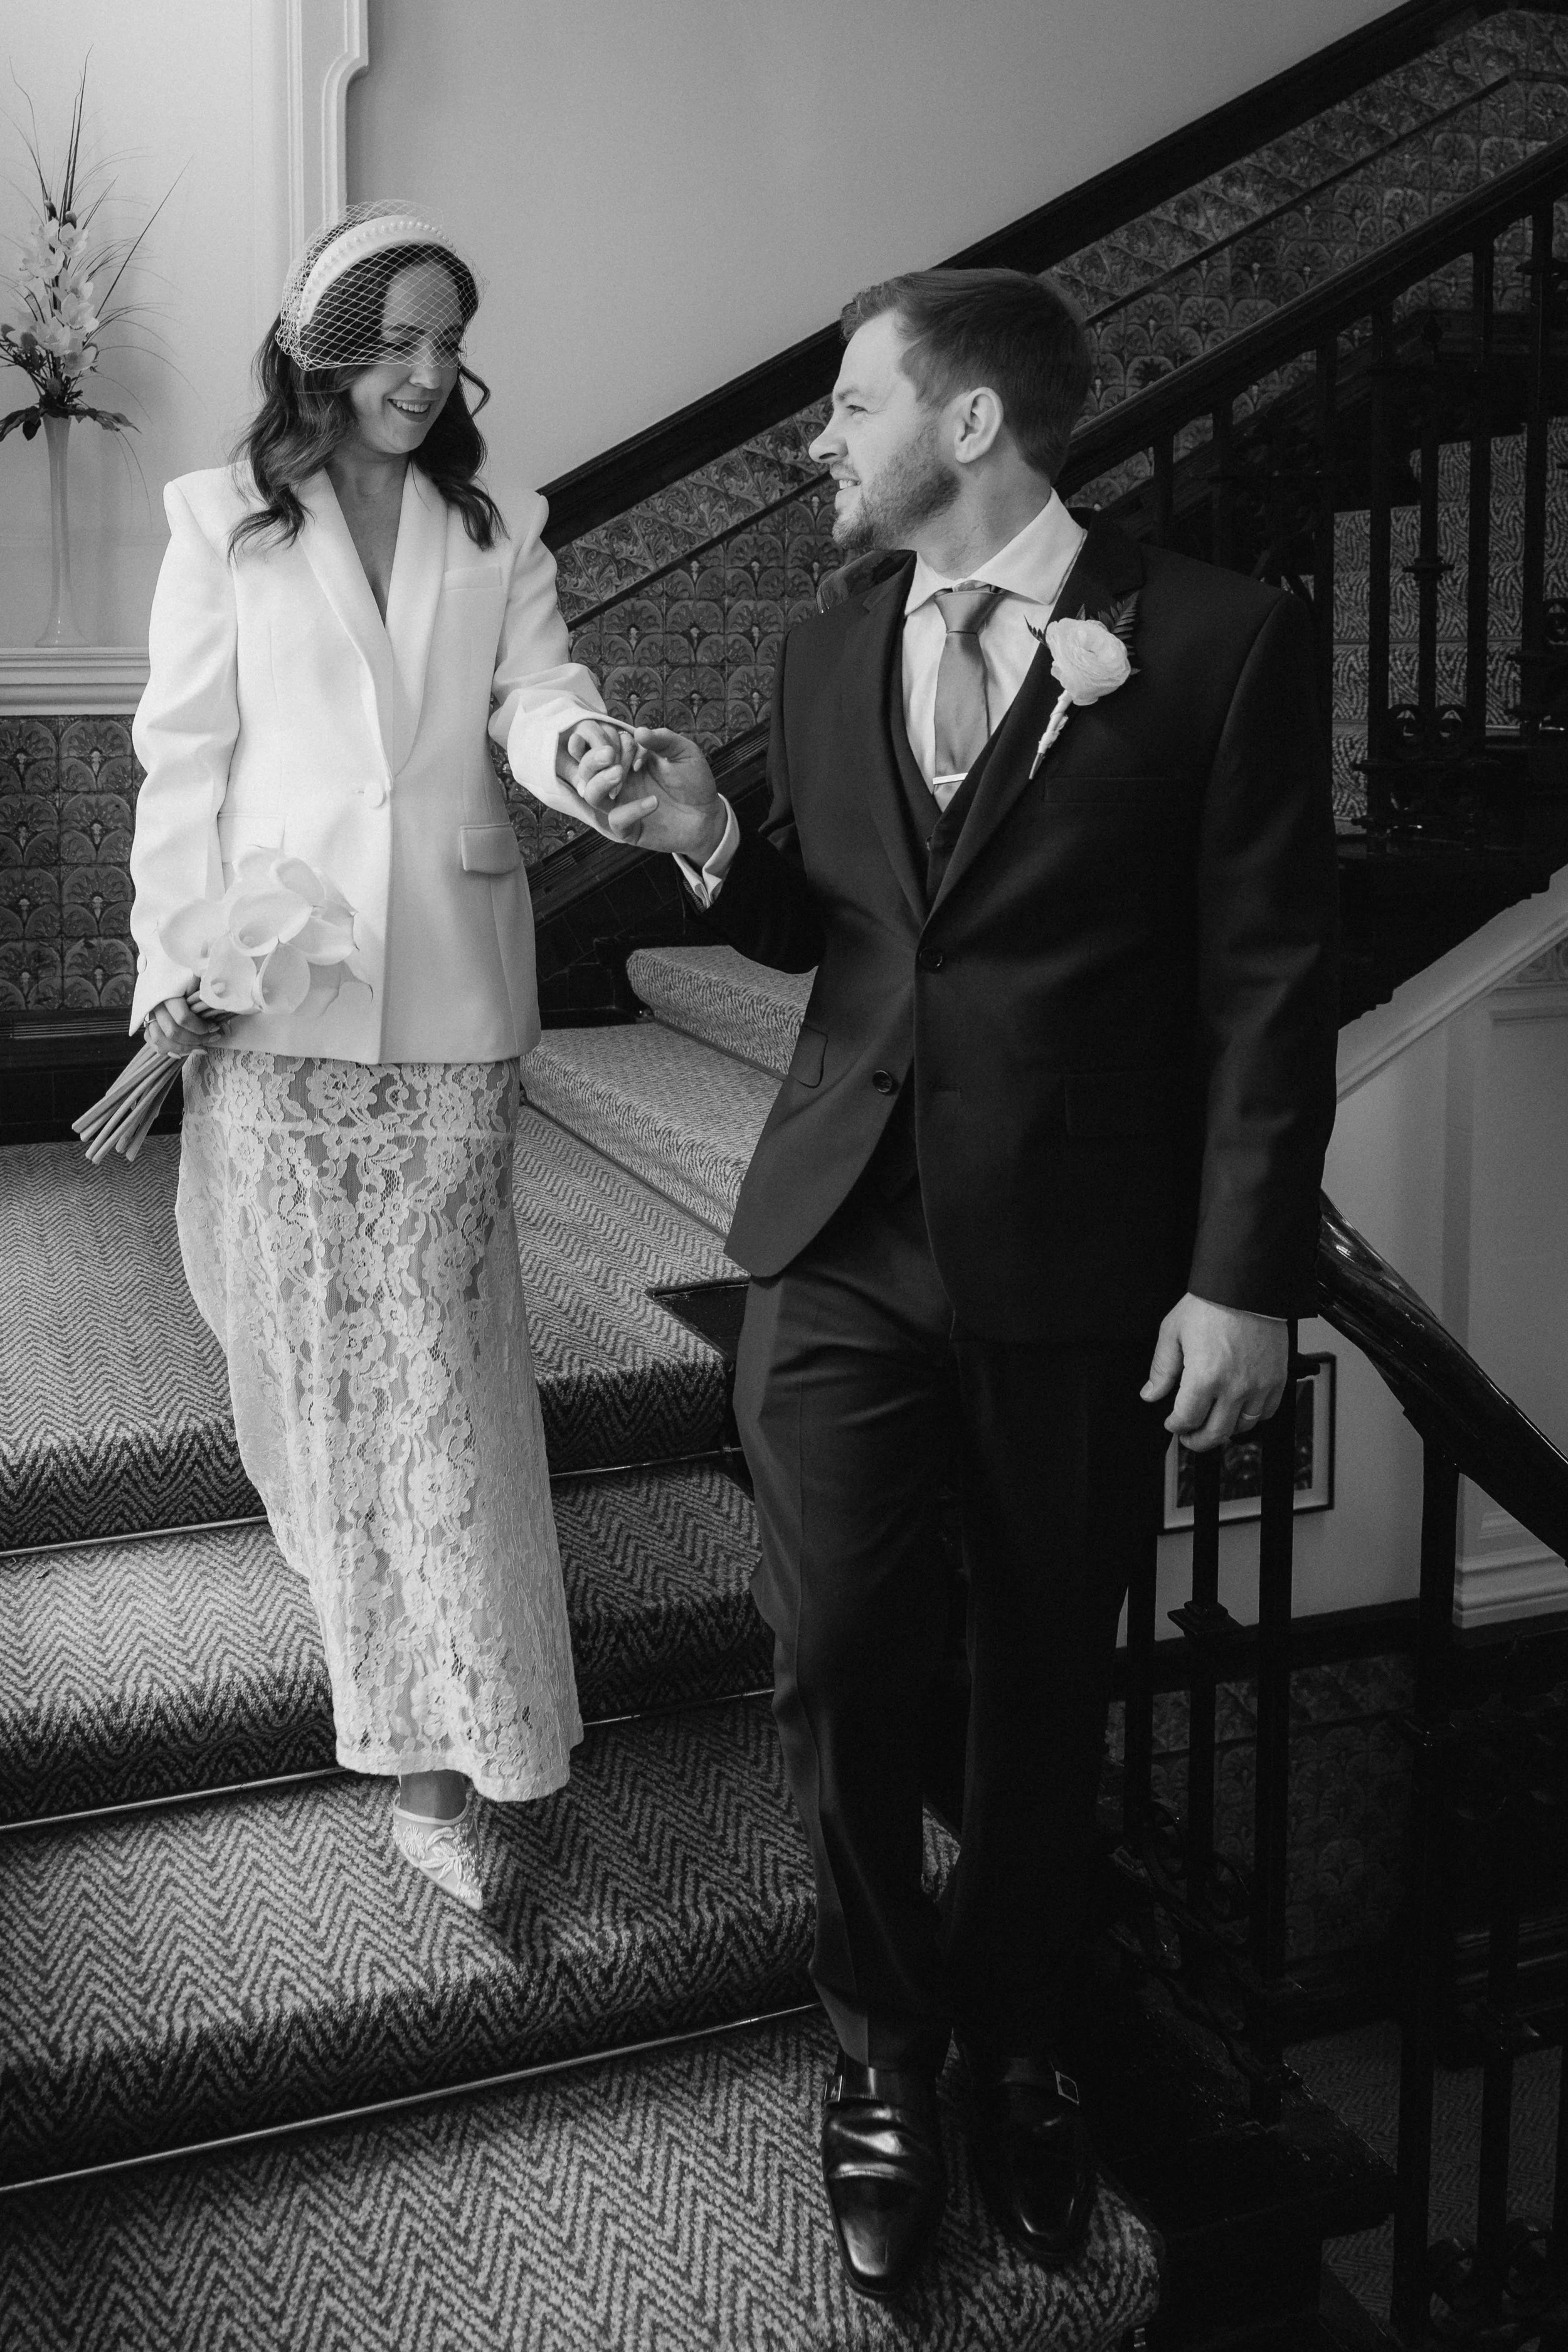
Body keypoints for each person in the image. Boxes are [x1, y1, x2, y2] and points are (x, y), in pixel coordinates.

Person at [526, 268, 1340, 2294]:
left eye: (850, 401)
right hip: (838, 1236)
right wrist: (711, 838)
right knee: (831, 1650)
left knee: (1044, 1675)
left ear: (968, 424)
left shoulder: (1217, 639)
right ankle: (883, 2048)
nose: (819, 439)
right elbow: (830, 925)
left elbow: (1266, 980)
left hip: (1078, 1256)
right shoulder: (824, 643)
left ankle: (1021, 2037)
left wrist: (1242, 1277)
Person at [127, 201, 626, 1912]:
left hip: (457, 1009)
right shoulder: (220, 522)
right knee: (327, 1363)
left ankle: (453, 1744)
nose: (426, 373)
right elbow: (183, 761)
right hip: (277, 1010)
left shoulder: (497, 525)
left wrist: (588, 753)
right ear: (321, 354)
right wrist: (172, 962)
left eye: (447, 342)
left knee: (438, 1365)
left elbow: (536, 699)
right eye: (395, 341)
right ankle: (387, 1648)